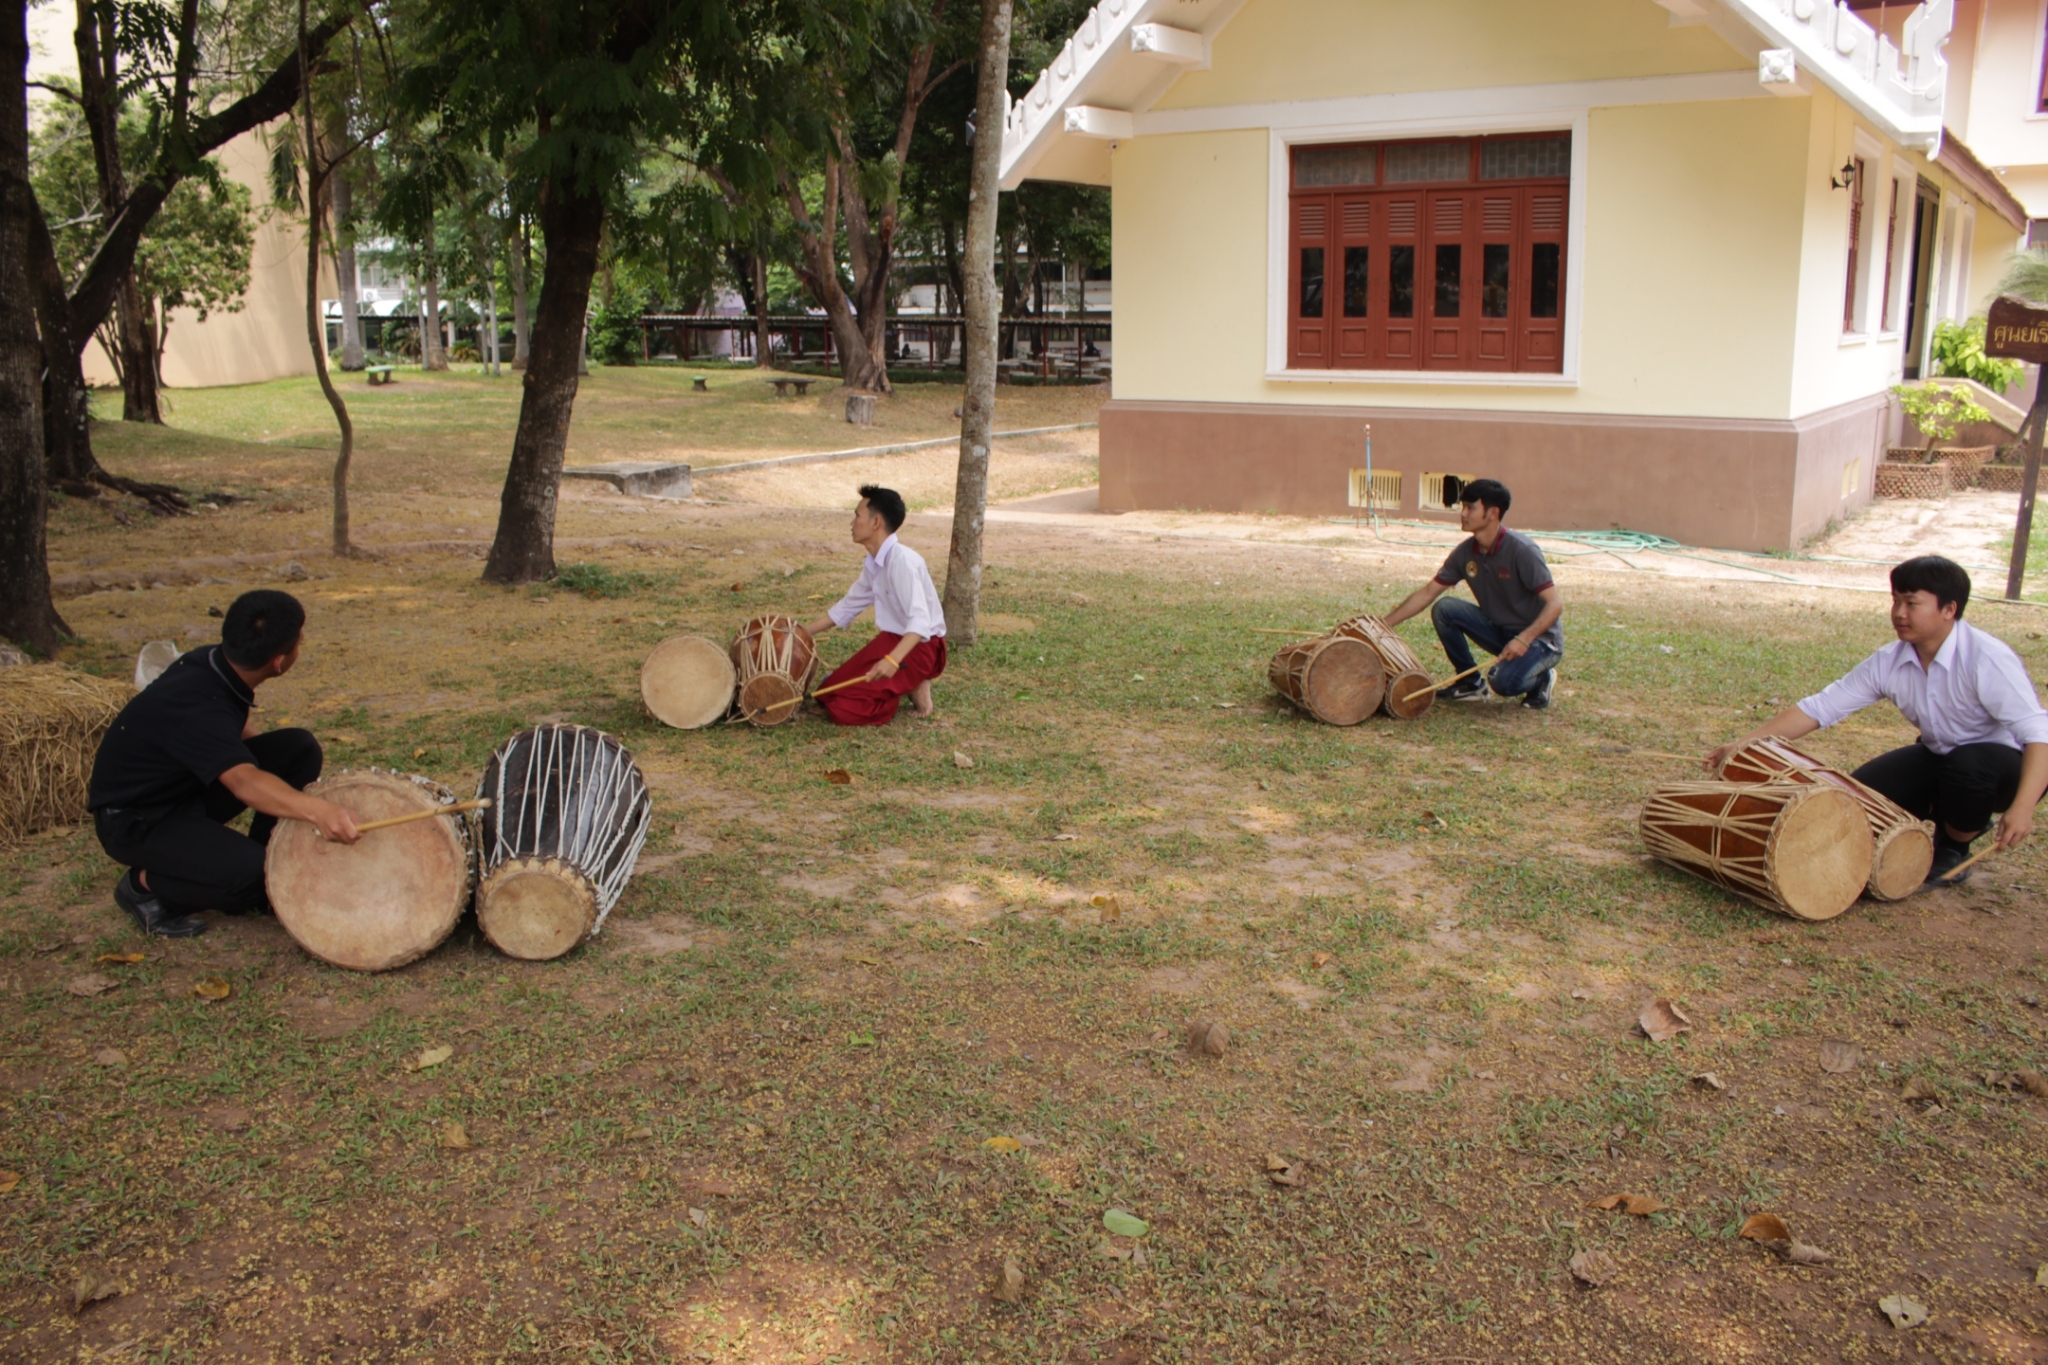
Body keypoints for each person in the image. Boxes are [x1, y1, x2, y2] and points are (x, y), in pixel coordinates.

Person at [1705, 555, 2048, 886]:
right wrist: (1744, 744)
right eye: (1895, 601)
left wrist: (2023, 808)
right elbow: (1820, 707)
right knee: (1853, 800)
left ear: (1949, 609)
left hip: (2006, 767)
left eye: (1912, 603)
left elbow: (2039, 733)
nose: (1899, 613)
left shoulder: (1986, 658)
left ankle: (1954, 845)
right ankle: (1945, 809)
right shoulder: (1890, 660)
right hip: (1938, 755)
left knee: (1968, 767)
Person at [88, 590, 360, 937]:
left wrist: (276, 773)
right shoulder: (201, 707)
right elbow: (243, 781)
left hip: (181, 789)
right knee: (254, 881)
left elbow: (228, 733)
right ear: (279, 662)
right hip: (137, 820)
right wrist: (317, 810)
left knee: (297, 748)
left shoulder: (212, 663)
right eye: (299, 642)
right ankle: (143, 886)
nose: (300, 644)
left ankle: (267, 852)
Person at [1378, 478, 1564, 709]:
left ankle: (1542, 678)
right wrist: (1382, 626)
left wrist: (1524, 639)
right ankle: (1470, 684)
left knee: (1503, 683)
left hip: (1540, 641)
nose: (1463, 514)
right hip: (1501, 632)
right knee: (1445, 609)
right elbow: (1427, 593)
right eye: (1463, 507)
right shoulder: (1466, 552)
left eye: (1470, 508)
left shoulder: (1522, 550)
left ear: (1493, 513)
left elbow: (1555, 604)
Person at [803, 485, 948, 725]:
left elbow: (921, 622)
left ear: (875, 522)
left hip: (920, 647)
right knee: (825, 693)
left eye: (857, 516)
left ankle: (907, 688)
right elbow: (848, 607)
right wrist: (800, 633)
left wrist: (892, 661)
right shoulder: (874, 562)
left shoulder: (902, 561)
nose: (852, 523)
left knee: (840, 710)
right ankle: (906, 682)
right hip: (893, 640)